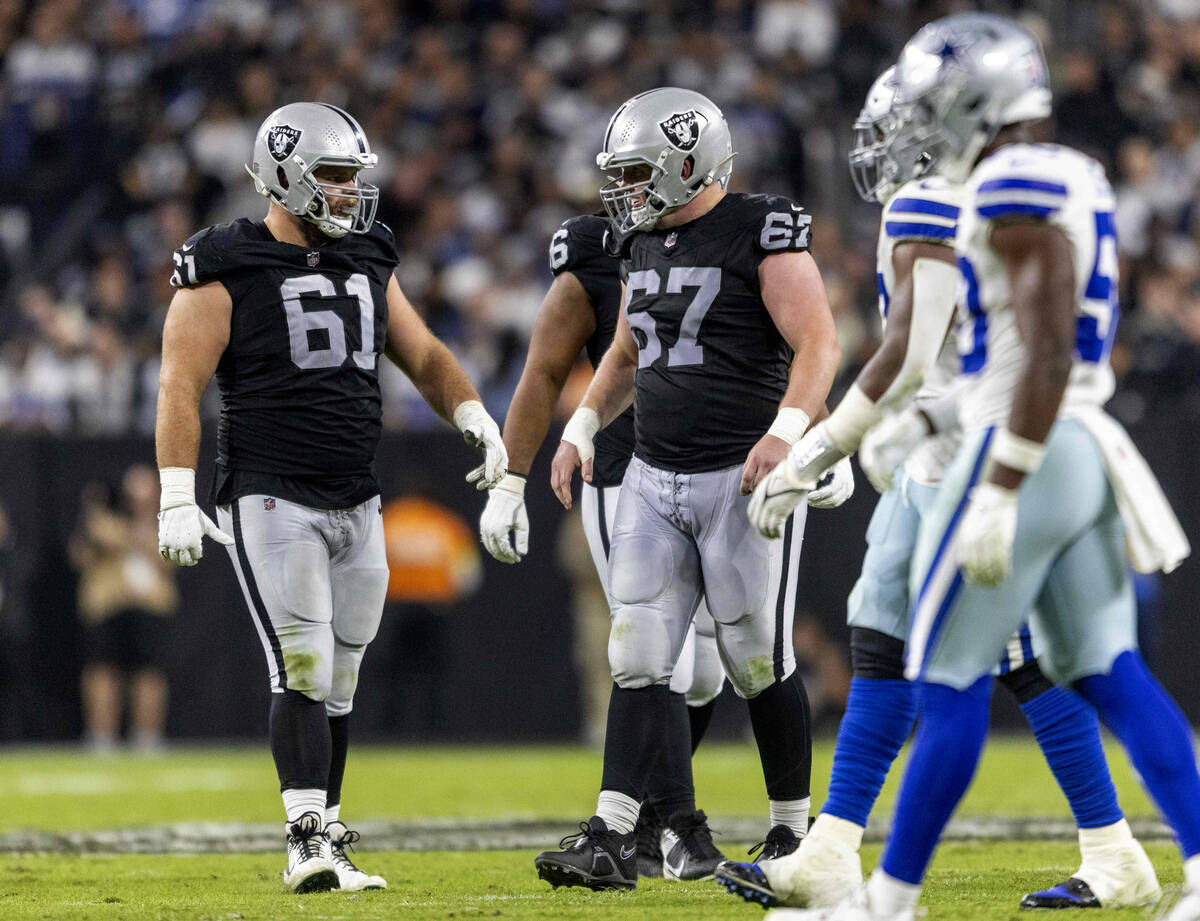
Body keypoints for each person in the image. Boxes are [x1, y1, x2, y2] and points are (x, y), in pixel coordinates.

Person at [753, 15, 1200, 921]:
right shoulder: (1074, 172)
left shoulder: (1005, 183)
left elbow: (1033, 355)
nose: (919, 130)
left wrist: (996, 483)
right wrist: (922, 418)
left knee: (948, 678)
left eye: (929, 108)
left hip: (1024, 447)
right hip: (1065, 435)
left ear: (973, 103)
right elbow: (1010, 359)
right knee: (1109, 669)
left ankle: (886, 899)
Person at [154, 102, 507, 894]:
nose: (350, 190)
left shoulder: (368, 251)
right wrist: (177, 491)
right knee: (302, 664)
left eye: (353, 175)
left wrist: (472, 414)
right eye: (335, 175)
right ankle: (305, 838)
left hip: (356, 494)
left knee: (340, 676)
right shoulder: (224, 260)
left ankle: (329, 831)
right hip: (270, 492)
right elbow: (180, 383)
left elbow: (421, 351)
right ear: (285, 177)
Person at [532, 87, 849, 892]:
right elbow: (627, 353)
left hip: (740, 477)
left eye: (637, 172)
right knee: (637, 652)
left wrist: (789, 432)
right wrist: (581, 426)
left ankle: (791, 829)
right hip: (652, 473)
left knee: (756, 657)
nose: (623, 189)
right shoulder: (640, 240)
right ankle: (612, 834)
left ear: (688, 162)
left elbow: (819, 341)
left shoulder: (760, 227)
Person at [479, 211, 731, 878]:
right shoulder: (597, 248)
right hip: (624, 476)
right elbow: (543, 369)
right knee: (661, 661)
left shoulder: (732, 233)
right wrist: (511, 480)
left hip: (714, 470)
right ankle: (678, 828)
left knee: (707, 671)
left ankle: (646, 826)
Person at [72, 465, 179, 753]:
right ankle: (101, 736)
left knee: (149, 671)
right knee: (102, 669)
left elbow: (170, 557)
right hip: (108, 607)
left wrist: (128, 537)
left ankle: (147, 736)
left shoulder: (167, 525)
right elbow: (84, 551)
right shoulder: (102, 521)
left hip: (150, 608)